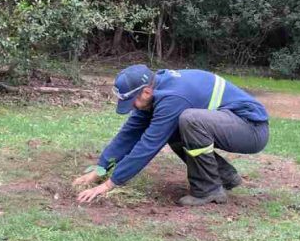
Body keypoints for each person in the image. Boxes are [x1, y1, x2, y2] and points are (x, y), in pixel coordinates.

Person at [73, 65, 270, 205]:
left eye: (131, 101)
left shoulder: (172, 98)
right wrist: (100, 168)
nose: (131, 107)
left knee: (190, 120)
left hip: (251, 129)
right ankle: (225, 176)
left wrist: (109, 184)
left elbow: (148, 145)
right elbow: (129, 133)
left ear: (147, 92)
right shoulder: (157, 90)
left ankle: (208, 190)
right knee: (178, 128)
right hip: (231, 124)